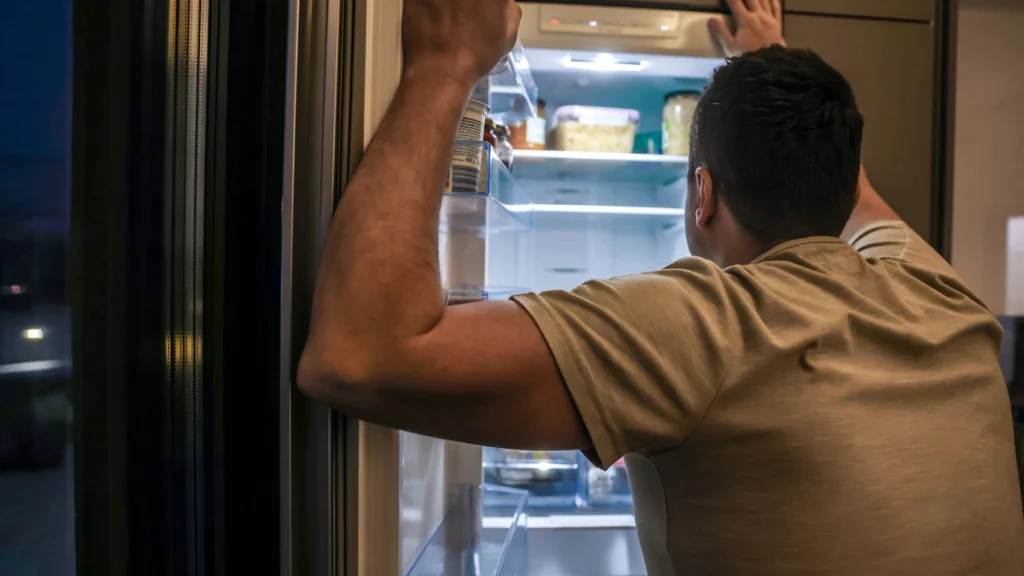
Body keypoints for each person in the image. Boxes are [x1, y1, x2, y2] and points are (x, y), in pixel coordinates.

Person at [298, 0, 1024, 573]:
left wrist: (445, 61)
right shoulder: (938, 288)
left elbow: (358, 355)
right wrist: (773, 71)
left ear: (701, 195)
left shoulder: (707, 326)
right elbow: (843, 176)